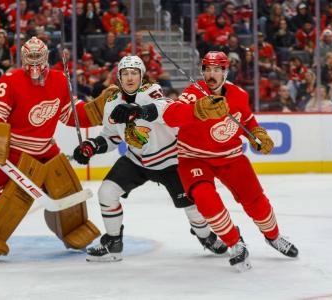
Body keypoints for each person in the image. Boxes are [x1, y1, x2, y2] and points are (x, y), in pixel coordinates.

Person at [109, 51, 299, 271]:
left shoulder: (238, 95)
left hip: (231, 156)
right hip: (194, 158)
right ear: (202, 71)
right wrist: (198, 110)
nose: (211, 74)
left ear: (225, 72)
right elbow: (171, 115)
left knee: (255, 200)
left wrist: (257, 135)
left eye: (217, 70)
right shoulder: (192, 93)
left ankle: (273, 236)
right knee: (205, 199)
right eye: (207, 69)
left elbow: (246, 120)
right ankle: (235, 243)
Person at [0, 36, 117, 261]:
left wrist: (99, 107)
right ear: (23, 57)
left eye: (39, 56)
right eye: (31, 56)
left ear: (47, 57)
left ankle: (75, 231)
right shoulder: (11, 80)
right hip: (17, 150)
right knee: (13, 197)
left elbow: (71, 114)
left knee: (68, 190)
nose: (35, 61)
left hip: (46, 148)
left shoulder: (58, 79)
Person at [72, 55, 228, 262]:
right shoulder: (111, 102)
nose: (130, 78)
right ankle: (113, 241)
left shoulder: (151, 92)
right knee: (106, 192)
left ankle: (205, 236)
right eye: (125, 73)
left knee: (192, 207)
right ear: (119, 77)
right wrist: (92, 146)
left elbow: (164, 109)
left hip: (170, 161)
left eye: (134, 73)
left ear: (142, 75)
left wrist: (138, 111)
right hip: (136, 160)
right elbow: (111, 136)